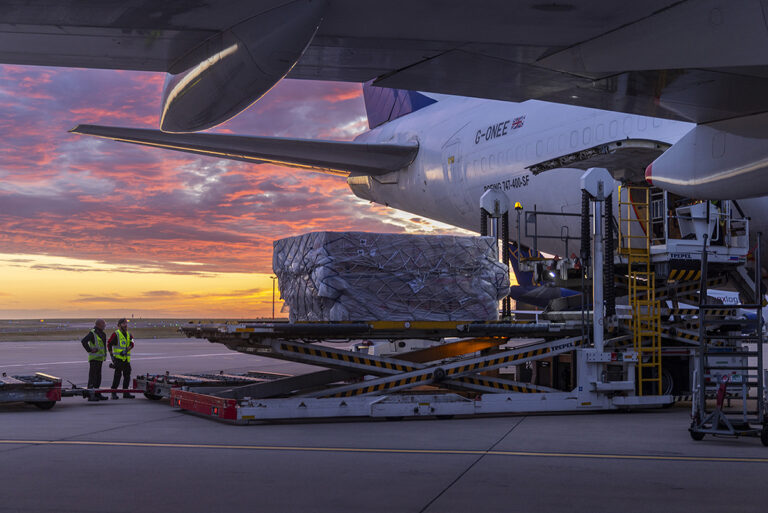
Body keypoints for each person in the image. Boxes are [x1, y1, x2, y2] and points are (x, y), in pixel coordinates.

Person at [80, 319, 108, 401]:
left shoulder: (102, 334)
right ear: (99, 324)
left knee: (98, 377)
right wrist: (89, 350)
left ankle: (97, 393)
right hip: (94, 359)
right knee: (92, 377)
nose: (105, 325)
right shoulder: (93, 333)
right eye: (103, 324)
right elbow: (84, 341)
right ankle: (90, 395)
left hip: (100, 359)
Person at [108, 318, 135, 399]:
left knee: (127, 375)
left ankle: (125, 393)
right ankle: (113, 393)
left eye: (126, 323)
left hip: (126, 359)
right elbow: (109, 344)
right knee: (117, 376)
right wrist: (112, 355)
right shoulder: (116, 334)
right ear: (119, 325)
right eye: (123, 323)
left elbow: (132, 343)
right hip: (118, 359)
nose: (125, 325)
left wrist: (127, 349)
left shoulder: (129, 334)